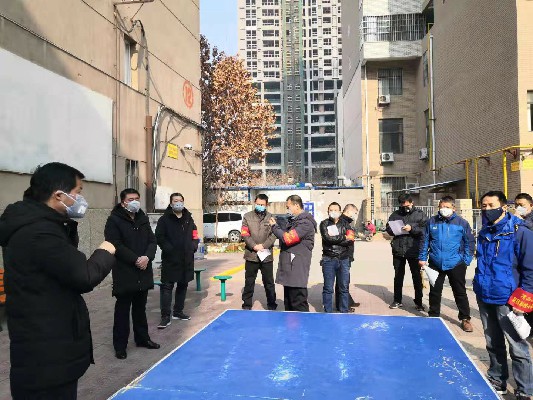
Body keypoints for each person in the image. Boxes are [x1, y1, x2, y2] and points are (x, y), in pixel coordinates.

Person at [0, 162, 116, 400]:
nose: (81, 199)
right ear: (59, 195)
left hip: (47, 343)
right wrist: (105, 251)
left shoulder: (41, 225)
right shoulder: (39, 232)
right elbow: (84, 276)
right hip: (46, 354)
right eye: (78, 192)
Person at [474, 190, 533, 400]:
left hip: (508, 299)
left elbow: (530, 269)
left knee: (517, 347)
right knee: (492, 342)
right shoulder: (484, 232)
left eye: (491, 205)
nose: (487, 209)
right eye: (484, 206)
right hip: (484, 294)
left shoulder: (520, 232)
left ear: (503, 207)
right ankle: (497, 379)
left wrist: (524, 300)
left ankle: (524, 390)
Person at [105, 188, 160, 360]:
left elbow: (152, 241)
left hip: (143, 270)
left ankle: (142, 339)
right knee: (122, 310)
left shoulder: (143, 218)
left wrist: (147, 257)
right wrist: (135, 259)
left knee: (140, 308)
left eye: (137, 198)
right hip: (125, 271)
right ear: (123, 202)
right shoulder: (114, 220)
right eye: (130, 199)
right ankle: (120, 346)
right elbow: (115, 244)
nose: (134, 201)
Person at [419, 196, 475, 332]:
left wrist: (466, 260)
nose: (444, 209)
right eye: (442, 207)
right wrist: (422, 258)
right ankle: (433, 316)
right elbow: (425, 241)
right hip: (435, 262)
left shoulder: (462, 223)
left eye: (447, 207)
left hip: (456, 263)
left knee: (460, 292)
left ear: (453, 208)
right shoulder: (432, 222)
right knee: (434, 292)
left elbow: (469, 242)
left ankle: (465, 318)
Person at [155, 193, 199, 329]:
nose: (178, 203)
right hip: (170, 259)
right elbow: (159, 237)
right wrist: (169, 249)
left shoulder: (189, 218)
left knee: (183, 285)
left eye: (180, 200)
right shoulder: (164, 219)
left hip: (186, 259)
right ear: (171, 203)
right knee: (167, 287)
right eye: (175, 201)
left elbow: (195, 235)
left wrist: (193, 246)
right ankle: (165, 316)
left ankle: (178, 312)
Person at [269, 195, 317, 312]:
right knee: (289, 302)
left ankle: (303, 324)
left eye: (288, 207)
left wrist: (274, 227)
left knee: (298, 303)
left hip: (297, 268)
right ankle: (290, 323)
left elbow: (287, 238)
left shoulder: (305, 223)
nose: (287, 210)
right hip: (290, 268)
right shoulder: (294, 222)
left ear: (296, 206)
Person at [386, 193, 427, 311]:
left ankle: (419, 302)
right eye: (402, 206)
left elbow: (425, 230)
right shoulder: (395, 215)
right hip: (398, 250)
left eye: (407, 205)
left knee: (416, 277)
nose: (405, 208)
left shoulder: (420, 214)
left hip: (414, 249)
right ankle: (397, 300)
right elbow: (388, 228)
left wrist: (412, 228)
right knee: (398, 276)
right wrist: (394, 229)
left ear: (412, 202)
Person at [240, 194, 278, 310]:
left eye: (262, 204)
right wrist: (254, 246)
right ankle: (247, 305)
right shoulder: (247, 216)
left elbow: (274, 234)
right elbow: (245, 233)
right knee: (249, 281)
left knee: (269, 282)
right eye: (258, 204)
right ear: (255, 203)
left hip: (266, 255)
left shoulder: (271, 217)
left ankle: (272, 304)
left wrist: (264, 246)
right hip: (251, 255)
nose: (260, 206)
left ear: (266, 205)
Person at [319, 202, 355, 313]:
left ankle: (344, 310)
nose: (333, 212)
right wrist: (343, 237)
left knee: (344, 287)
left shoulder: (346, 224)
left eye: (335, 210)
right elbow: (327, 239)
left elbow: (350, 240)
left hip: (343, 259)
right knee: (328, 288)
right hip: (329, 259)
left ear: (340, 212)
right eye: (331, 210)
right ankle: (328, 311)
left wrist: (336, 238)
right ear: (328, 211)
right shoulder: (324, 224)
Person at [336, 204, 360, 311]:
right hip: (342, 255)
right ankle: (342, 305)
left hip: (347, 255)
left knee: (345, 280)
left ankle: (348, 301)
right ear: (349, 211)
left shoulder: (347, 222)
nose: (355, 215)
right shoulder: (341, 222)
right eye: (355, 213)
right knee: (342, 281)